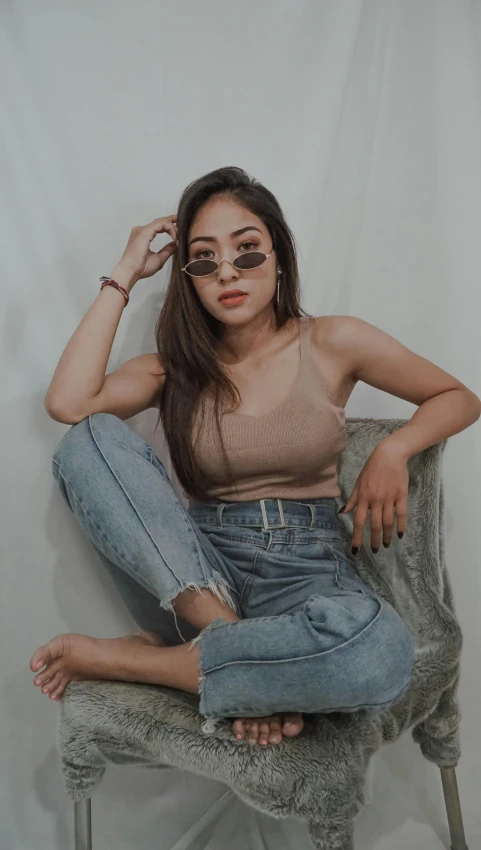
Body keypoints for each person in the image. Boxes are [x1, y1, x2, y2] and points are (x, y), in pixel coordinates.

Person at [30, 166, 481, 748]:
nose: (227, 273)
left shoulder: (333, 340)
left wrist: (395, 449)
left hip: (307, 570)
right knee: (88, 438)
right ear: (186, 276)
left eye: (246, 252)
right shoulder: (174, 367)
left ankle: (152, 663)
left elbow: (459, 397)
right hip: (196, 574)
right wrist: (124, 273)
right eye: (203, 258)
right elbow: (69, 404)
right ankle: (243, 660)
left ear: (279, 256)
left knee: (378, 651)